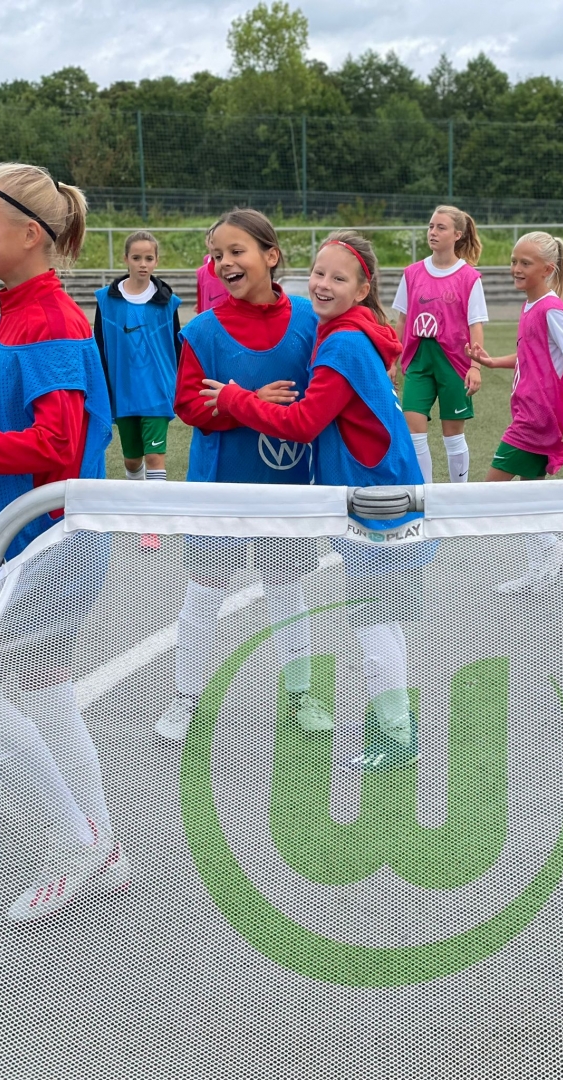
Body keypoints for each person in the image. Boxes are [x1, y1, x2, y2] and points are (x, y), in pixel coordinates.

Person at [0, 162, 125, 922]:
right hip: (36, 543)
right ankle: (99, 845)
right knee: (44, 690)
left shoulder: (46, 318)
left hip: (43, 549)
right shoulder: (22, 311)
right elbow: (9, 435)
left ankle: (72, 844)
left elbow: (56, 445)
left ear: (29, 233)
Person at [201, 230, 426, 770]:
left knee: (371, 619)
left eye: (338, 278)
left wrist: (234, 398)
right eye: (318, 273)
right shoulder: (353, 330)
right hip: (385, 489)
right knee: (381, 617)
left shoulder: (345, 342)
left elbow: (303, 424)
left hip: (377, 499)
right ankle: (396, 727)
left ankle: (396, 736)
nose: (322, 284)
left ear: (362, 289)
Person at [157, 207, 332, 741]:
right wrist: (248, 402)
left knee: (288, 591)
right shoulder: (203, 332)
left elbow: (330, 386)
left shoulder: (310, 320)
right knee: (205, 594)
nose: (225, 262)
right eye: (217, 255)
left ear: (271, 255)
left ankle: (299, 694)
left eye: (236, 251)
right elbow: (189, 405)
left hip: (289, 485)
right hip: (220, 487)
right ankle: (186, 698)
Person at [469, 231, 563, 594]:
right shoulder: (531, 307)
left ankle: (553, 549)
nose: (516, 269)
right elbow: (530, 355)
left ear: (547, 269)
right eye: (513, 261)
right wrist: (493, 362)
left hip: (536, 420)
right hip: (529, 413)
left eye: (525, 263)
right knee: (529, 496)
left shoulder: (551, 309)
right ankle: (541, 565)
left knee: (489, 495)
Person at [393, 205, 486, 484]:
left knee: (453, 436)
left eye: (441, 227)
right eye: (431, 226)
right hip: (419, 360)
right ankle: (427, 494)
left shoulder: (469, 277)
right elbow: (401, 321)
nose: (433, 232)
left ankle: (459, 494)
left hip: (454, 363)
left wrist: (475, 367)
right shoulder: (412, 273)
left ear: (457, 234)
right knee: (413, 432)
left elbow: (476, 326)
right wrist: (391, 362)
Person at [94, 230, 181, 488]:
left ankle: (153, 512)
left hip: (157, 391)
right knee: (132, 460)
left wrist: (178, 384)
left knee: (155, 457)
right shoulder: (106, 301)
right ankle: (137, 494)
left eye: (148, 258)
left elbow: (177, 347)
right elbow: (98, 345)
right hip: (123, 391)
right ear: (126, 259)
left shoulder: (168, 302)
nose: (143, 264)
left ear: (156, 261)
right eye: (136, 258)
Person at [195, 224, 227, 313]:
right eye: (212, 241)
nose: (214, 245)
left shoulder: (231, 267)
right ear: (207, 241)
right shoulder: (202, 270)